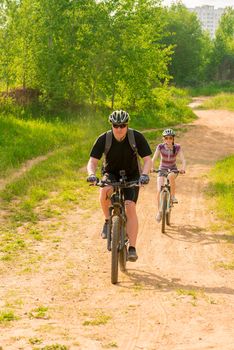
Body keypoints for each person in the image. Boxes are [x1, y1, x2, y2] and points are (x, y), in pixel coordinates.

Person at [87, 110, 152, 261]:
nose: (119, 129)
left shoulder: (136, 137)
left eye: (122, 125)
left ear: (127, 125)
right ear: (112, 125)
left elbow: (148, 160)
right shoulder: (104, 138)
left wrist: (144, 175)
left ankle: (132, 248)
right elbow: (93, 161)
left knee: (130, 207)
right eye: (116, 125)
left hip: (133, 175)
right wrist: (91, 174)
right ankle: (108, 221)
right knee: (104, 191)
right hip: (111, 173)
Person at [152, 128, 186, 223]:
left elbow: (183, 160)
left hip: (173, 169)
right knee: (159, 190)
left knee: (171, 176)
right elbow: (153, 159)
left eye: (170, 138)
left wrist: (183, 168)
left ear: (173, 139)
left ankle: (172, 197)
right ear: (163, 139)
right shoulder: (160, 147)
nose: (168, 140)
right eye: (166, 138)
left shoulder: (177, 147)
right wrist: (151, 167)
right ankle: (159, 211)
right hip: (162, 169)